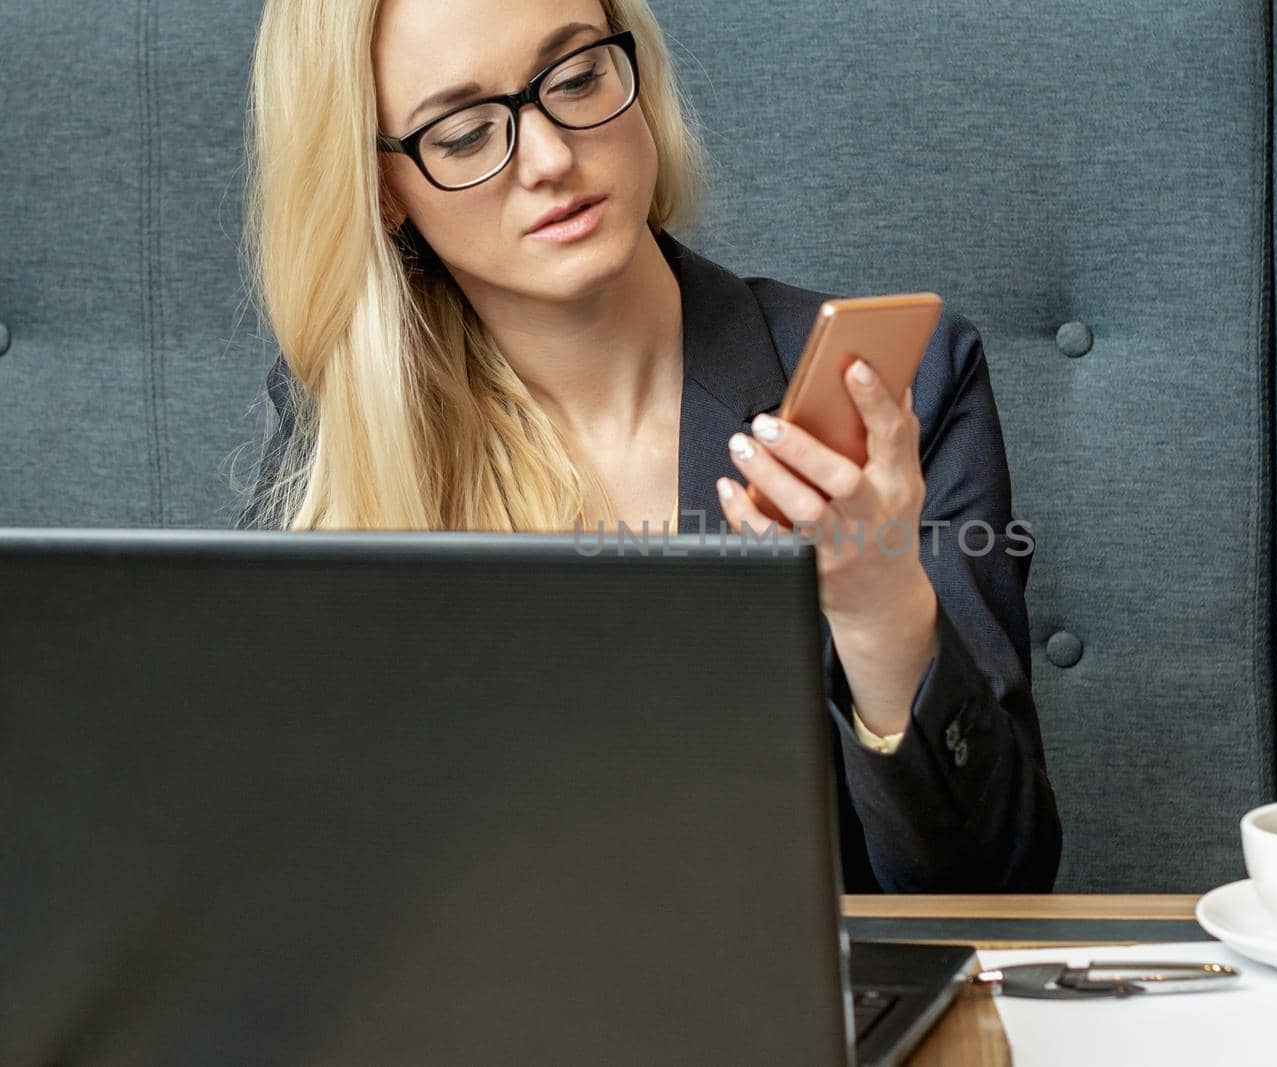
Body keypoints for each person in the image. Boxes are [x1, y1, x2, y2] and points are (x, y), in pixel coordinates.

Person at [237, 0, 1061, 892]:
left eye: (579, 77)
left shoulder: (901, 386)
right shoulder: (351, 434)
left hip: (808, 1020)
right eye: (466, 133)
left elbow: (997, 887)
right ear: (382, 191)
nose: (552, 158)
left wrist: (880, 613)